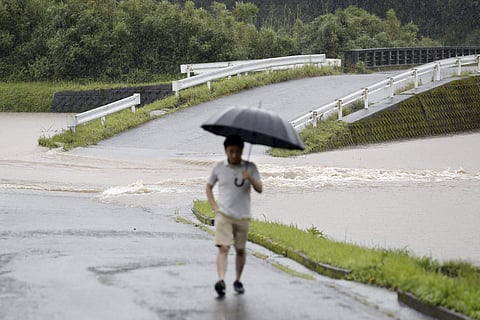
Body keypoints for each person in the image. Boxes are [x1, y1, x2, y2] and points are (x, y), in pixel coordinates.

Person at [206, 134, 263, 298]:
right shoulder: (218, 168)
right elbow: (208, 187)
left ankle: (237, 280)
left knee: (240, 250)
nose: (234, 155)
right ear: (225, 151)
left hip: (243, 216)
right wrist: (215, 208)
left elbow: (260, 189)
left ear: (242, 151)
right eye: (231, 151)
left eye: (237, 152)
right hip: (224, 215)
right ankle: (221, 280)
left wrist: (250, 178)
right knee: (223, 247)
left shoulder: (250, 167)